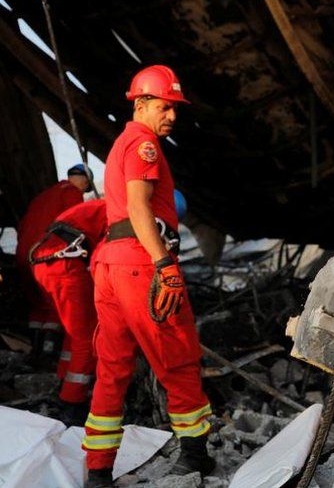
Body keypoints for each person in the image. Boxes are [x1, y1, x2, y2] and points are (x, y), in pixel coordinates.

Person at [84, 66, 213, 487]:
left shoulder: (121, 144)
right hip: (140, 265)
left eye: (175, 108)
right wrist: (165, 264)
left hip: (110, 266)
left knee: (113, 368)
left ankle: (98, 472)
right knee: (177, 358)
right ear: (140, 104)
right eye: (163, 106)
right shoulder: (144, 146)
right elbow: (140, 208)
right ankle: (194, 455)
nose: (171, 116)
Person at [29, 198, 107, 425]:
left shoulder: (99, 207)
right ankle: (72, 403)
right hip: (64, 265)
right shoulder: (124, 210)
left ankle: (64, 377)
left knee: (73, 331)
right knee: (87, 335)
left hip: (45, 262)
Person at [16, 165, 92, 358]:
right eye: (86, 186)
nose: (85, 190)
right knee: (55, 304)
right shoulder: (72, 194)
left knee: (37, 304)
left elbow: (23, 225)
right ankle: (49, 354)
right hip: (47, 256)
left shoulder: (41, 196)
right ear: (84, 180)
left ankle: (34, 349)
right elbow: (76, 226)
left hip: (24, 254)